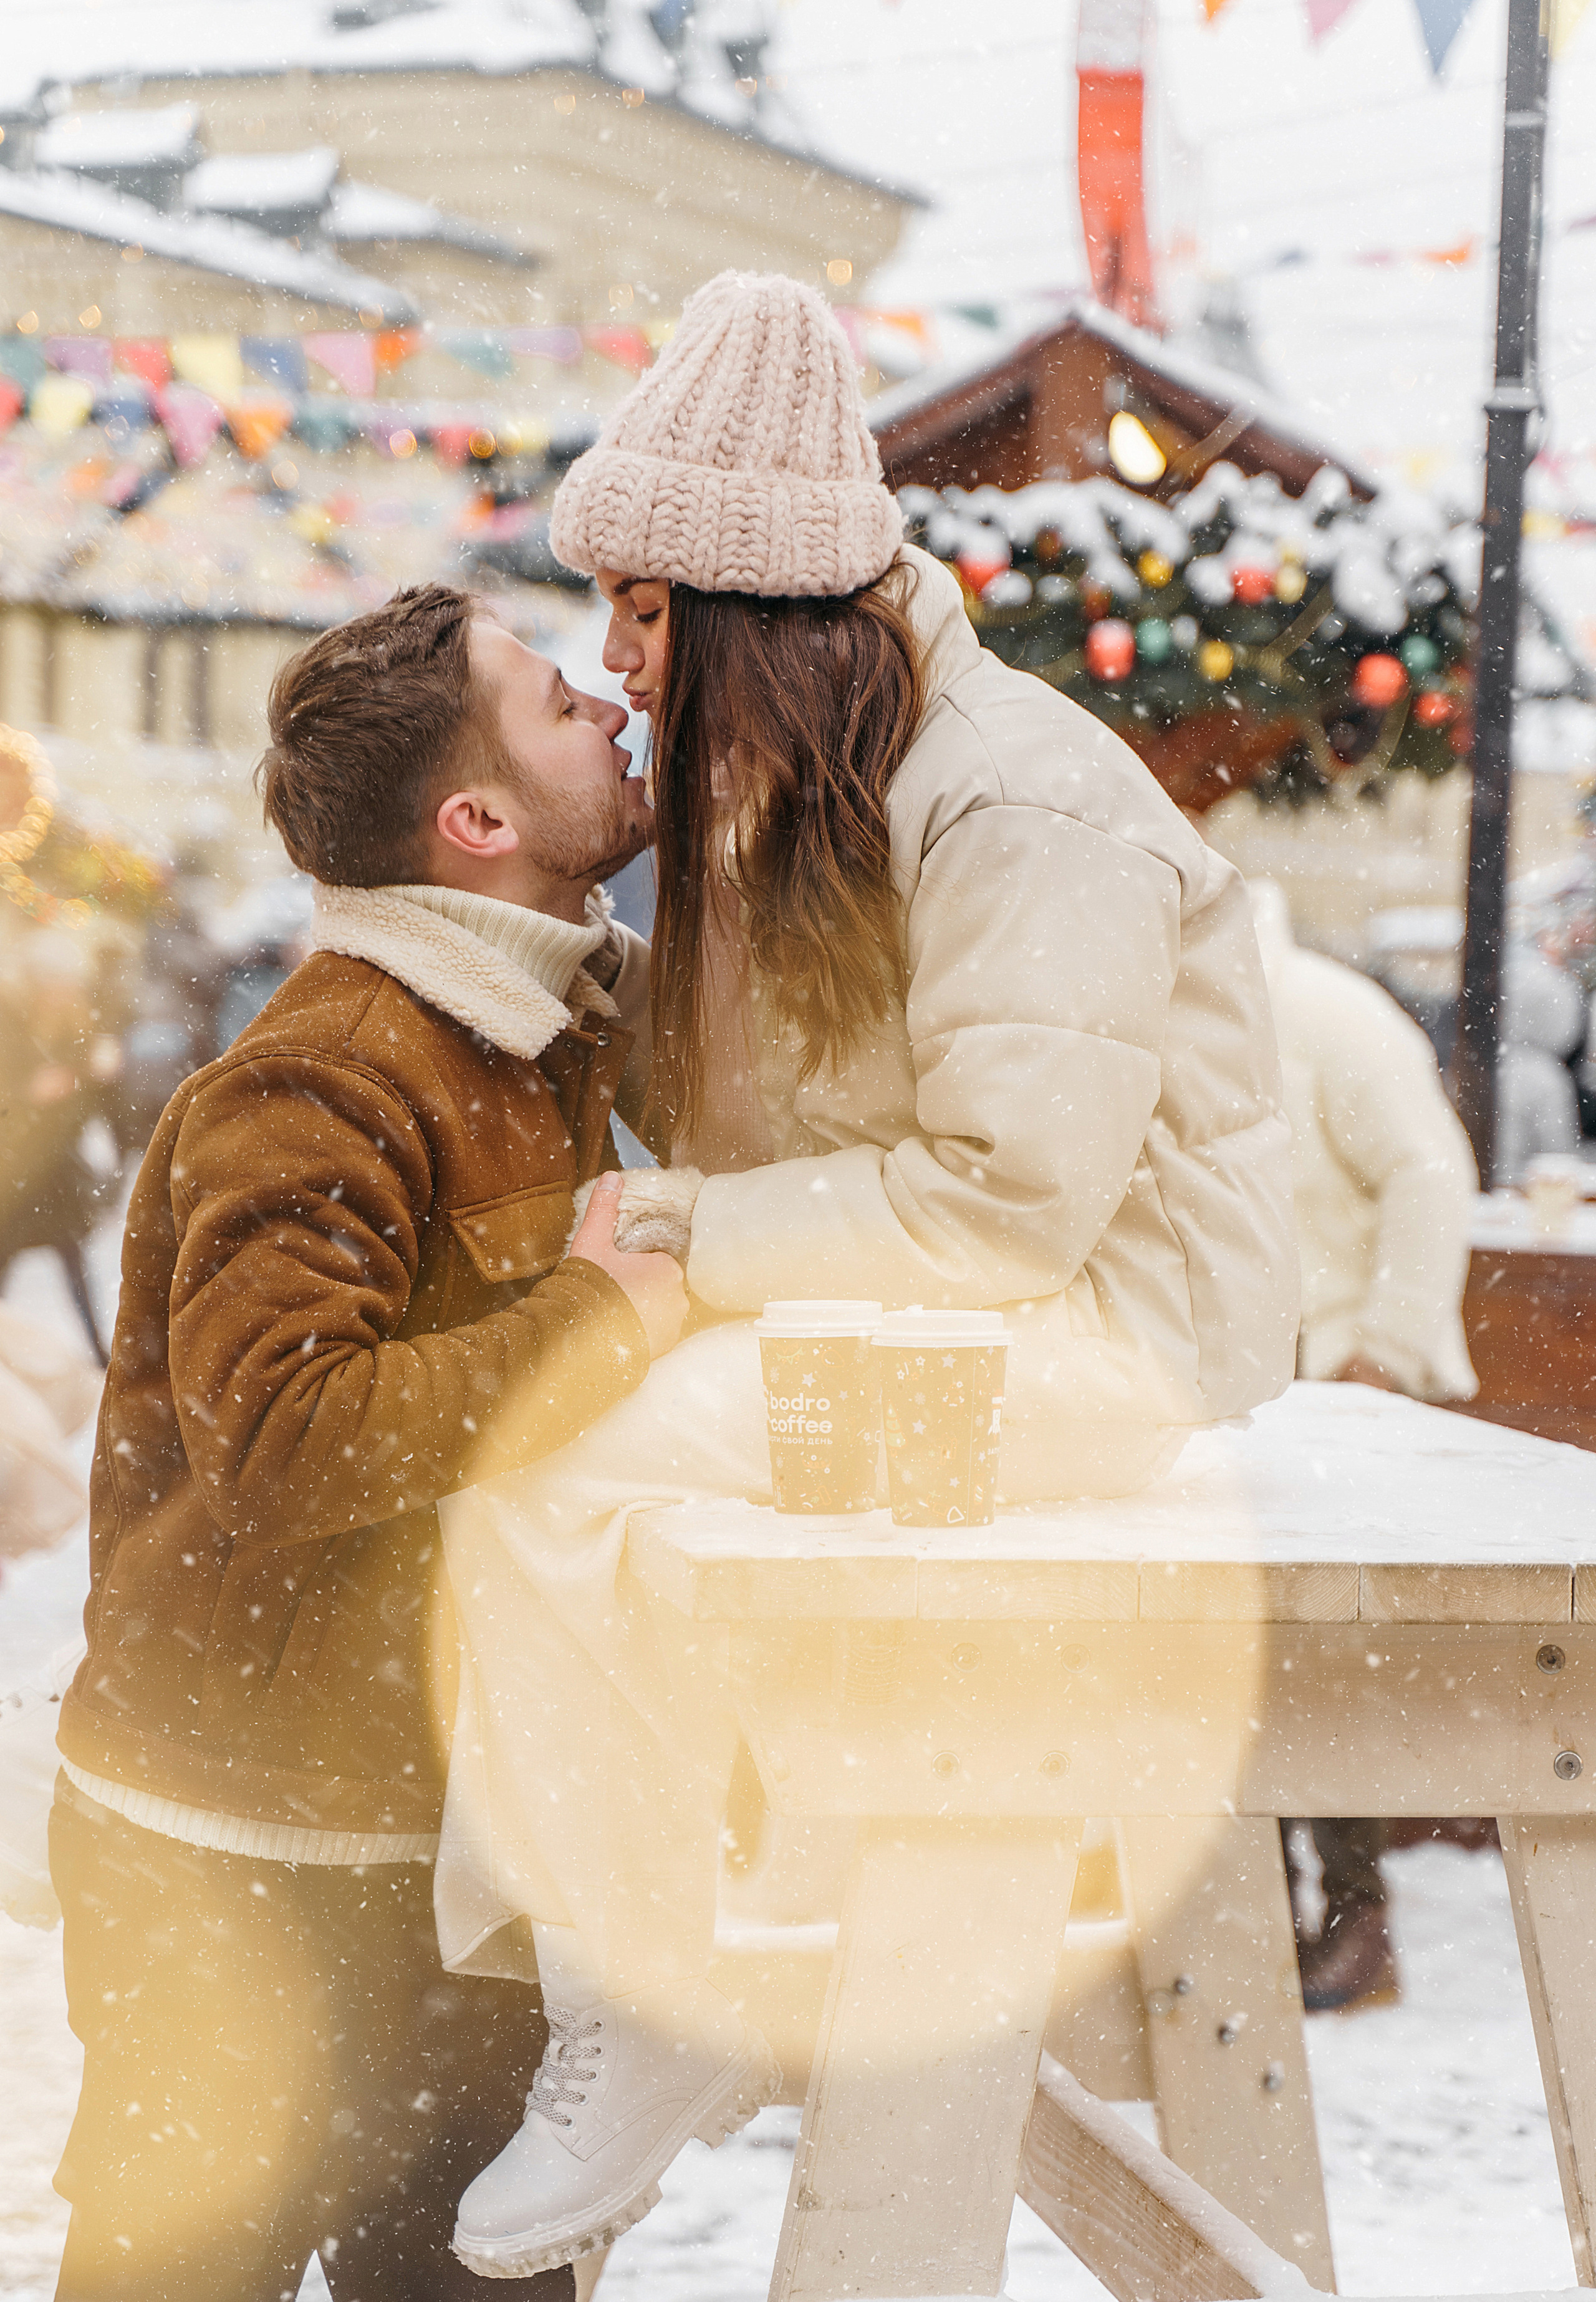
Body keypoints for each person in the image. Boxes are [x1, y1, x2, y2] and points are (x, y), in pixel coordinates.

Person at [436, 270, 1300, 2284]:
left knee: (559, 1459)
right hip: (964, 1326)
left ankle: (646, 1990)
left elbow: (1010, 1208)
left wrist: (688, 1241)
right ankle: (642, 1957)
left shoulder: (1012, 800)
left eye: (645, 613)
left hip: (1096, 1348)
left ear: (748, 608)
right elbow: (787, 1117)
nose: (620, 664)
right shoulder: (830, 794)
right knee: (537, 1431)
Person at [46, 582, 688, 2302]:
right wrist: (597, 1315)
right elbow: (291, 1439)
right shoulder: (326, 1071)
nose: (611, 709)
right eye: (562, 702)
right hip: (243, 1858)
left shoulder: (537, 1024)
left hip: (430, 1835)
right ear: (476, 822)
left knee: (468, 2278)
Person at [1251, 880, 1478, 2014]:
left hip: (1333, 1395)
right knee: (1250, 1662)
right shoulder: (1180, 1015)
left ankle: (1352, 1913)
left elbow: (1432, 1175)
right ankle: (1284, 1910)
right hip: (1246, 1399)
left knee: (1310, 1664)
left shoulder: (1332, 1016)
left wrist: (1381, 1356)